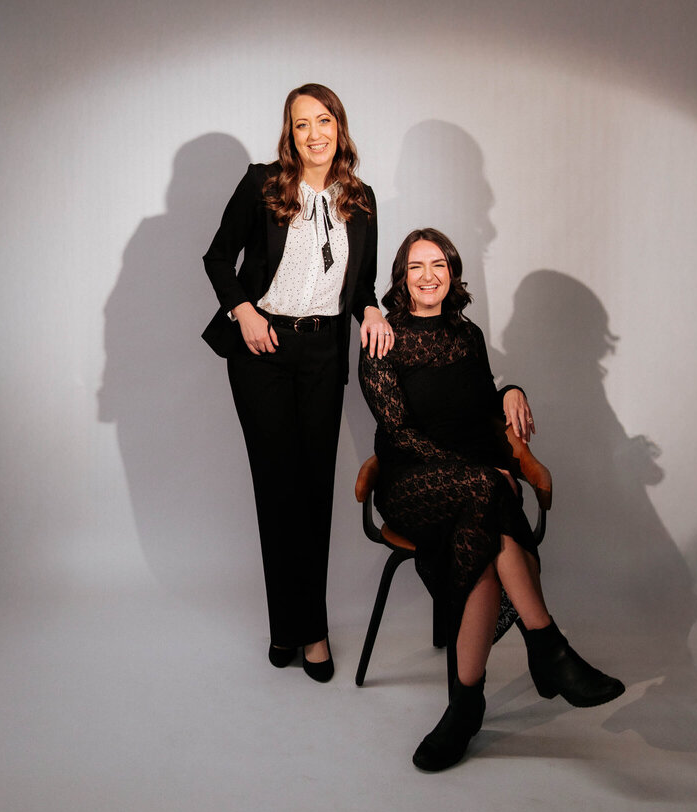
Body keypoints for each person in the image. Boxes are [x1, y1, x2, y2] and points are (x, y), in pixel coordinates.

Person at [359, 228, 624, 769]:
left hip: (474, 487)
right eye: (416, 267)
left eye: (439, 265)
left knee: (480, 528)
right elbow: (398, 432)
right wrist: (472, 470)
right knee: (486, 490)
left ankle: (465, 707)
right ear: (401, 278)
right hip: (413, 485)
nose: (428, 275)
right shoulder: (384, 337)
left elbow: (482, 407)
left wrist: (510, 391)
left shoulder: (468, 335)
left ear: (453, 274)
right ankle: (548, 648)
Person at [203, 85, 392, 682]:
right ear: (289, 132)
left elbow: (357, 285)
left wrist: (376, 310)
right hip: (263, 348)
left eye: (325, 120)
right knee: (277, 490)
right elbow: (216, 259)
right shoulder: (264, 183)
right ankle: (306, 631)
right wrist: (245, 312)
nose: (315, 133)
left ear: (340, 124)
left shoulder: (360, 200)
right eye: (302, 123)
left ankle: (297, 627)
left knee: (313, 493)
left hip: (321, 351)